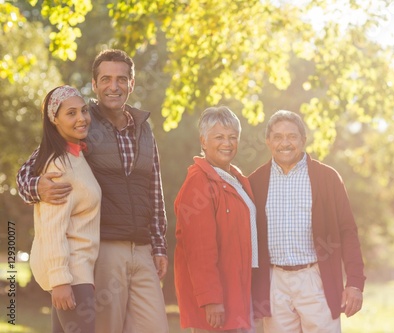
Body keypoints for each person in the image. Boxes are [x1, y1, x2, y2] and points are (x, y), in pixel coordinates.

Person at [17, 49, 169, 333]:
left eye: (122, 79)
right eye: (106, 79)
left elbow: (155, 191)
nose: (114, 86)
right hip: (105, 249)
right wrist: (39, 187)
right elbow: (28, 172)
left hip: (143, 249)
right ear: (95, 84)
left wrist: (159, 244)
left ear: (131, 84)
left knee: (156, 326)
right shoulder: (82, 123)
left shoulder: (144, 130)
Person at [248, 110, 366, 333]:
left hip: (316, 279)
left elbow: (348, 232)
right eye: (278, 137)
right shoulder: (255, 182)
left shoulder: (327, 178)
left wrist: (354, 282)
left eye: (292, 136)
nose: (285, 143)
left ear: (303, 140)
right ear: (268, 141)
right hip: (275, 283)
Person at [174, 106, 258, 332]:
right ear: (203, 141)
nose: (227, 143)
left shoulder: (236, 180)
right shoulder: (199, 183)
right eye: (219, 137)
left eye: (232, 137)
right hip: (216, 303)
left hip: (238, 292)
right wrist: (211, 300)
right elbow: (199, 249)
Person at [29, 85, 101, 333]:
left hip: (79, 273)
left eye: (83, 110)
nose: (81, 118)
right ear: (54, 119)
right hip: (72, 275)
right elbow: (52, 227)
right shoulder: (58, 164)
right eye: (71, 113)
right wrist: (60, 280)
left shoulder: (76, 157)